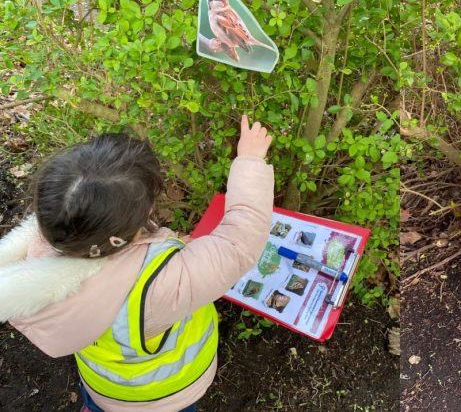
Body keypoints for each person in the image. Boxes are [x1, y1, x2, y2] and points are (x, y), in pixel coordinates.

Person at [0, 115, 274, 412]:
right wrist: (249, 161)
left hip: (103, 385)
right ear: (120, 237)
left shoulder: (39, 253)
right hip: (166, 395)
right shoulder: (161, 283)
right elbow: (238, 243)